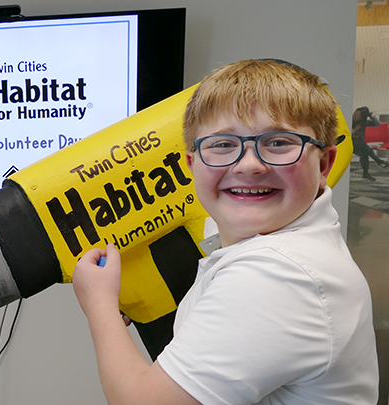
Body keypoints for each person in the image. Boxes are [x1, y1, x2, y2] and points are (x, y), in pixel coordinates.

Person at [72, 59, 379, 404]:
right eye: (222, 145)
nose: (249, 164)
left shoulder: (277, 274)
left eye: (278, 142)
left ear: (324, 164)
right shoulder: (282, 248)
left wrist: (98, 301)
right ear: (192, 165)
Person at [352, 106, 387, 181]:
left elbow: (377, 124)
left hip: (360, 145)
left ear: (362, 117)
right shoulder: (350, 121)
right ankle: (379, 161)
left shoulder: (363, 123)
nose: (354, 115)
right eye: (355, 113)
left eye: (357, 115)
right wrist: (354, 130)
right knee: (365, 149)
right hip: (350, 144)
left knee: (364, 153)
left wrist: (371, 116)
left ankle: (366, 173)